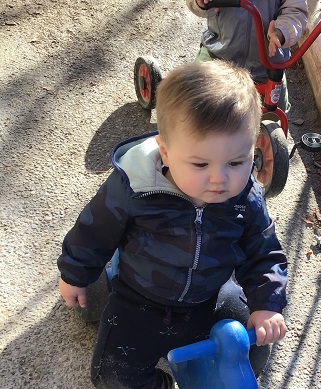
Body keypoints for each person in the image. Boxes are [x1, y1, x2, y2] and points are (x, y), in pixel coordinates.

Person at [57, 60, 288, 389]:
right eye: (200, 163)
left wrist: (267, 305)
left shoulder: (246, 196)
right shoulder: (134, 188)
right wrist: (75, 274)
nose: (220, 178)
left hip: (212, 296)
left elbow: (263, 252)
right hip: (140, 298)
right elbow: (94, 230)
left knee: (253, 347)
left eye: (237, 162)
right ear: (165, 153)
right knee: (113, 375)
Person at [186, 0, 308, 112]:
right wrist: (200, 3)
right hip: (218, 53)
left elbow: (296, 11)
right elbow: (195, 4)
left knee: (275, 114)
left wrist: (281, 32)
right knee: (192, 101)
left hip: (267, 65)